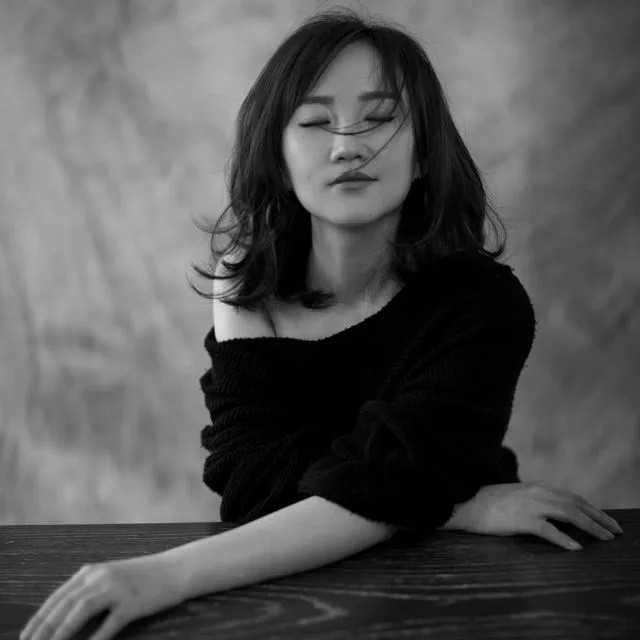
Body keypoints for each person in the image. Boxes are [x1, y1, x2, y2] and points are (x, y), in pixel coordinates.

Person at [20, 8, 623, 640]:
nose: (347, 145)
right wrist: (456, 504)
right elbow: (251, 486)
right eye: (314, 122)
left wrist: (163, 575)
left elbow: (384, 479)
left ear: (424, 152)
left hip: (460, 583)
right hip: (296, 592)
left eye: (380, 117)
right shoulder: (247, 285)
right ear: (279, 161)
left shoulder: (485, 305)